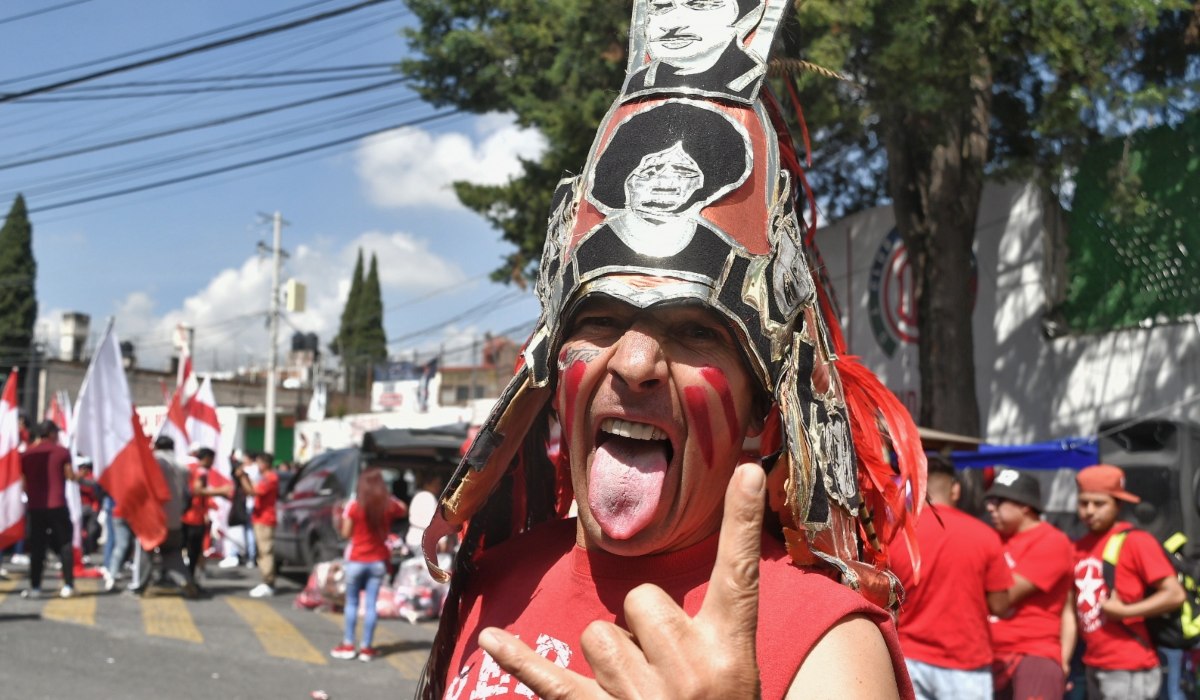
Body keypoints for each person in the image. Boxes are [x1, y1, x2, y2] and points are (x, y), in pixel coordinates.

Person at [413, 7, 927, 697]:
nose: (633, 364)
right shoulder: (496, 578)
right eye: (599, 318)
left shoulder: (827, 647)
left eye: (696, 331)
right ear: (551, 370)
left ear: (757, 409)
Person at [888, 457, 1013, 699]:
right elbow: (1000, 605)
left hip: (909, 658)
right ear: (955, 489)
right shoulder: (985, 535)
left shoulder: (896, 536)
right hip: (966, 662)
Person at [1067, 464, 1185, 700]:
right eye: (1083, 503)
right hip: (1092, 661)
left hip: (1130, 666)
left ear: (1118, 505)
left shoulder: (1136, 541)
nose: (1089, 511)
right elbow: (1070, 609)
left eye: (1099, 503)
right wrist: (1063, 658)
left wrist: (1126, 611)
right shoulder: (1077, 547)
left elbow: (1174, 594)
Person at [984, 468, 1074, 700]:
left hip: (1033, 653)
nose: (990, 507)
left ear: (1025, 505)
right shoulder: (992, 539)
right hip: (988, 655)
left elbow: (1003, 598)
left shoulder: (1052, 541)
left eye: (999, 501)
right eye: (989, 500)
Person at [330, 468, 407, 662]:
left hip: (356, 560)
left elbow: (346, 533)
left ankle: (348, 644)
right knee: (371, 604)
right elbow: (403, 508)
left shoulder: (354, 506)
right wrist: (387, 496)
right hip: (378, 562)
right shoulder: (387, 506)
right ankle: (366, 648)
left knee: (352, 603)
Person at [128, 436, 198, 598]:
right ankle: (185, 580)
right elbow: (187, 495)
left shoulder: (154, 462)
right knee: (172, 553)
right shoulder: (182, 466)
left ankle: (138, 585)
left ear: (156, 446)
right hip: (174, 519)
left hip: (153, 518)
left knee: (145, 551)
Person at [20, 420, 77, 598]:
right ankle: (68, 585)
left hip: (36, 507)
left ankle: (36, 587)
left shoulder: (27, 454)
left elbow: (24, 484)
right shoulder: (61, 451)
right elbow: (69, 476)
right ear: (51, 433)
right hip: (57, 505)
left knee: (37, 548)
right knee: (65, 544)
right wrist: (80, 475)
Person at [237, 451, 278, 597]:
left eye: (259, 462)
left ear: (265, 464)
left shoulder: (270, 478)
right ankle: (267, 581)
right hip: (261, 518)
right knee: (262, 552)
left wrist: (242, 477)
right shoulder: (265, 477)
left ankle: (268, 582)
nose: (257, 466)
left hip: (265, 519)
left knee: (265, 551)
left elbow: (253, 492)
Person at [404, 468, 444, 555]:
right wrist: (441, 540)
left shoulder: (419, 495)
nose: (439, 487)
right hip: (422, 541)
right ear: (427, 484)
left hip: (414, 540)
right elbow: (432, 523)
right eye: (436, 484)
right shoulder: (427, 497)